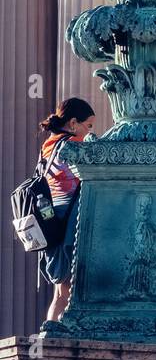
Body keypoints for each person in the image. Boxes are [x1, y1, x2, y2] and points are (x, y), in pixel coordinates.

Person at [37, 98, 96, 323]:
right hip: (69, 221)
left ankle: (50, 337)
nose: (89, 132)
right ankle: (54, 338)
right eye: (88, 125)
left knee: (61, 291)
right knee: (68, 292)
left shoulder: (48, 145)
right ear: (73, 123)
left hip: (53, 220)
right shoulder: (72, 144)